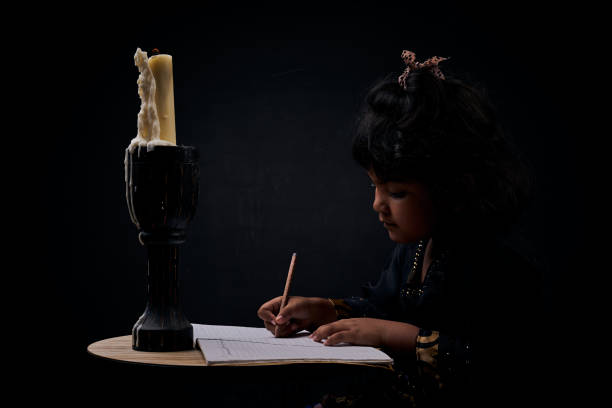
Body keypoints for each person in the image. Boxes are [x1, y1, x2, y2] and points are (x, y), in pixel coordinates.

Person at [257, 50, 545, 407]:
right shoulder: (416, 248)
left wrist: (399, 336)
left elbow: (499, 361)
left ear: (452, 187)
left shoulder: (493, 264)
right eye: (373, 186)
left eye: (396, 192)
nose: (378, 205)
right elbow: (381, 306)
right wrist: (322, 310)